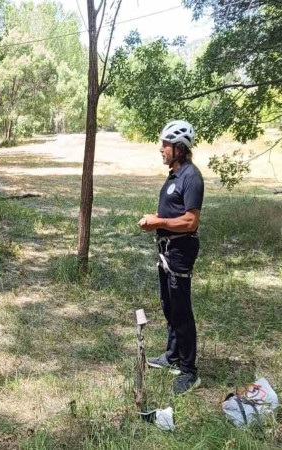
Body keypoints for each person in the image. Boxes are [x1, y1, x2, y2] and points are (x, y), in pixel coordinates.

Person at [138, 120, 204, 395]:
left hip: (180, 250)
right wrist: (158, 224)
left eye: (165, 145)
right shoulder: (174, 175)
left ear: (179, 148)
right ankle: (172, 355)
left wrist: (158, 222)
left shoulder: (191, 177)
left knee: (181, 311)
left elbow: (191, 222)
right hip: (167, 249)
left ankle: (189, 370)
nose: (161, 149)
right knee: (168, 305)